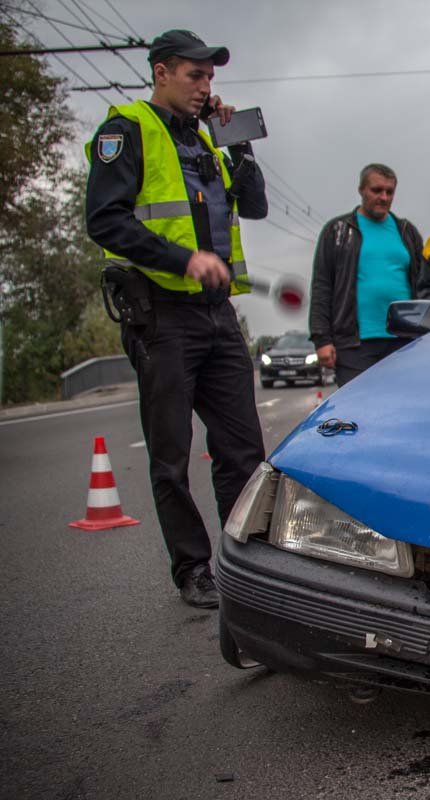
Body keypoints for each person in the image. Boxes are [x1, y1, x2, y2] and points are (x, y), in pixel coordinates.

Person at [84, 29, 268, 609]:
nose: (206, 86)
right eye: (196, 75)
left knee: (243, 450)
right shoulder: (126, 130)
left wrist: (237, 143)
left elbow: (255, 204)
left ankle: (248, 563)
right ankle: (192, 568)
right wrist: (183, 259)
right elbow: (105, 221)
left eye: (211, 77)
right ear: (162, 72)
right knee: (171, 455)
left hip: (217, 317)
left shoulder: (208, 143)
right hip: (161, 316)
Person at [309, 164, 430, 386]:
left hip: (403, 341)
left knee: (402, 406)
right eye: (376, 190)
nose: (384, 197)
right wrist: (322, 339)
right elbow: (322, 286)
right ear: (361, 190)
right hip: (354, 344)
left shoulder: (406, 231)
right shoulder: (337, 230)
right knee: (357, 412)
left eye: (389, 192)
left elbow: (422, 283)